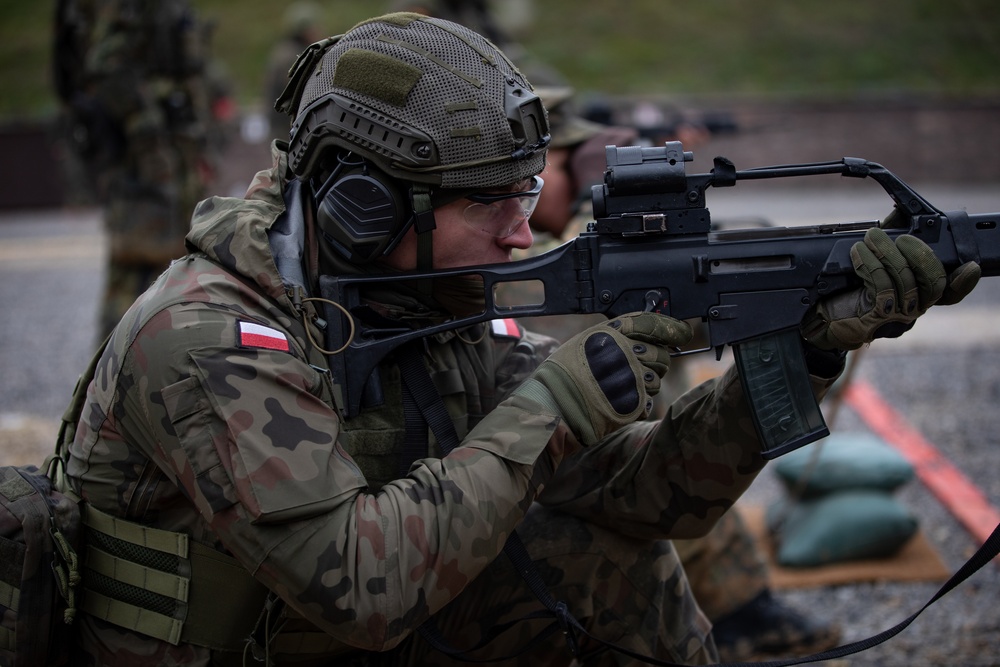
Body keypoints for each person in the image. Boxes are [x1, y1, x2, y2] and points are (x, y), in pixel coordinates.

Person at [61, 12, 979, 666]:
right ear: (363, 202)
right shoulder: (208, 336)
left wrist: (804, 352)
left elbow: (638, 499)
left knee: (617, 562)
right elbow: (359, 587)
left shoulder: (422, 288)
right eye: (488, 202)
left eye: (524, 191)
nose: (521, 229)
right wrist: (560, 401)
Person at [523, 86, 842, 662]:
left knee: (681, 440)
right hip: (577, 467)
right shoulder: (527, 265)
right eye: (559, 163)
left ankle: (739, 607)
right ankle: (737, 613)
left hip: (622, 449)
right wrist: (592, 202)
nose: (528, 194)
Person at [53, 0, 232, 340]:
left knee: (173, 263)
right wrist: (147, 137)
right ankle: (112, 375)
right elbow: (107, 65)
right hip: (149, 159)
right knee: (138, 263)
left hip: (172, 151)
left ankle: (154, 367)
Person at [263, 1, 325, 142]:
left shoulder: (287, 51)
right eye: (315, 26)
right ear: (304, 29)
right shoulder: (290, 56)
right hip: (287, 132)